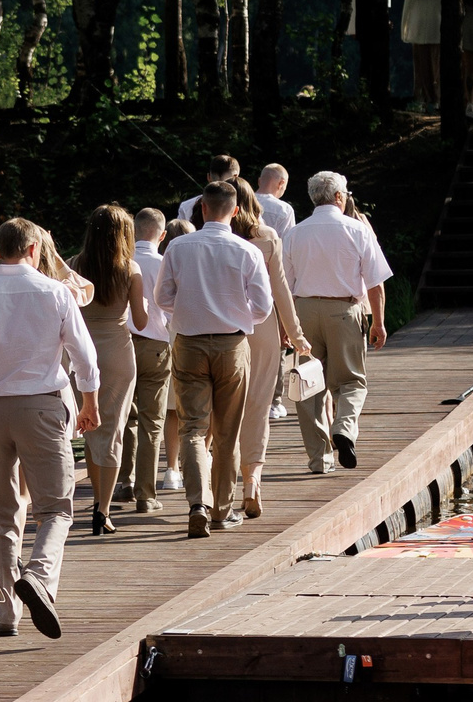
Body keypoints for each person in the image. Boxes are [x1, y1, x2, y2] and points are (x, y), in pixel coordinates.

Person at [0, 217, 101, 639]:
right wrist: (90, 402)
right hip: (42, 407)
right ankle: (39, 576)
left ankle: (6, 609)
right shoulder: (55, 292)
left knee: (2, 511)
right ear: (35, 250)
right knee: (55, 508)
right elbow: (84, 357)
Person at [156, 184, 272, 538]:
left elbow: (163, 297)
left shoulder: (177, 246)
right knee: (227, 431)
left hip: (189, 344)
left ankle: (197, 504)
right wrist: (235, 316)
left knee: (193, 428)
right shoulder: (246, 250)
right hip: (232, 346)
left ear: (202, 208)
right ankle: (222, 509)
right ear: (235, 211)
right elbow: (264, 307)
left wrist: (192, 311)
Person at [287, 171, 393, 474]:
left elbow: (284, 283)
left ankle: (319, 459)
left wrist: (286, 326)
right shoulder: (357, 230)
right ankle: (344, 429)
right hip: (345, 311)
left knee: (307, 386)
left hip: (304, 312)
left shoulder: (295, 233)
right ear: (338, 197)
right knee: (351, 381)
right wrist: (378, 323)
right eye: (345, 193)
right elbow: (375, 283)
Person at [222, 177, 304, 521]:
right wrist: (296, 334)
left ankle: (217, 487)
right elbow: (280, 291)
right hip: (263, 329)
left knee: (222, 408)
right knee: (257, 406)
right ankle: (252, 482)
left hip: (222, 328)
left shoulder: (212, 239)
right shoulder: (267, 237)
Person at [68, 204, 152, 536]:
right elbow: (141, 322)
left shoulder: (75, 265)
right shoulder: (130, 269)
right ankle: (103, 509)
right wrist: (142, 304)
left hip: (83, 354)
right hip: (118, 353)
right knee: (113, 430)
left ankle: (95, 502)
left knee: (90, 426)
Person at [118, 207, 173, 513]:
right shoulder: (165, 262)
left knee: (127, 416)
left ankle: (124, 481)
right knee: (153, 422)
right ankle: (146, 494)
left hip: (122, 344)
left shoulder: (122, 262)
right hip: (156, 344)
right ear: (162, 235)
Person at [157, 216, 194, 490]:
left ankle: (171, 468)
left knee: (172, 411)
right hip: (187, 338)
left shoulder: (161, 263)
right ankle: (199, 456)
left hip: (163, 340)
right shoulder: (188, 267)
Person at [402, 0, 443, 110]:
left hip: (417, 31)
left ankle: (425, 98)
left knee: (421, 68)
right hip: (436, 31)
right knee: (436, 67)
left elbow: (406, 11)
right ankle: (436, 99)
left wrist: (405, 32)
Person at [174, 155, 245, 225]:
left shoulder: (186, 206)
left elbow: (179, 231)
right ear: (236, 177)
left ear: (208, 177)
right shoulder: (245, 206)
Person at [254, 164, 296, 236]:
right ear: (281, 183)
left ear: (259, 181)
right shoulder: (284, 209)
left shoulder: (240, 200)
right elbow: (287, 242)